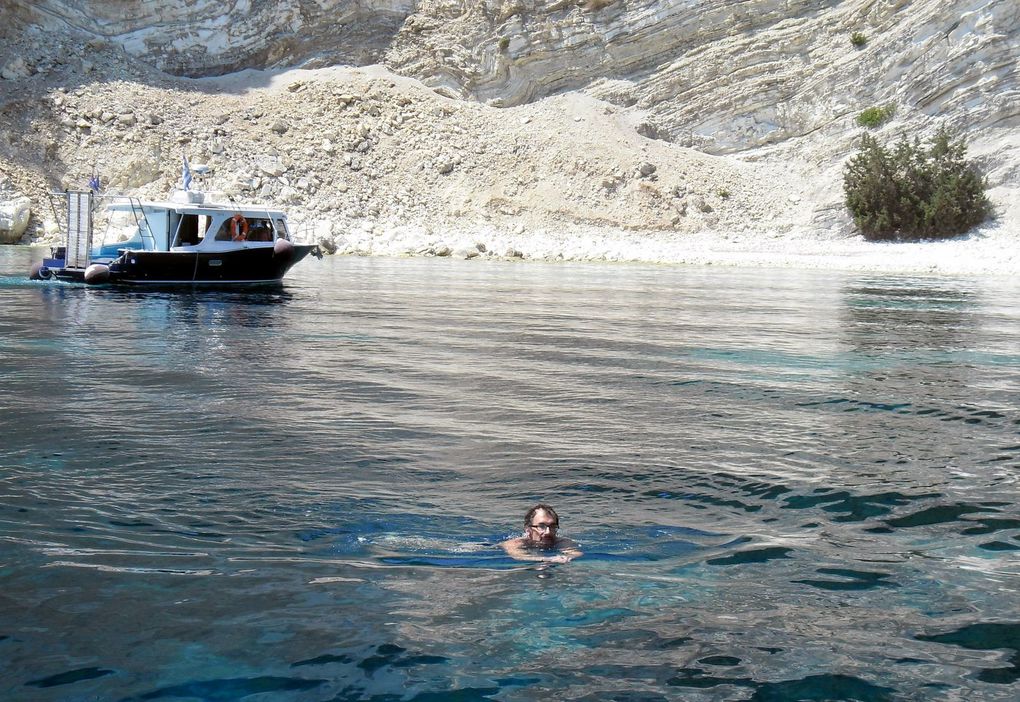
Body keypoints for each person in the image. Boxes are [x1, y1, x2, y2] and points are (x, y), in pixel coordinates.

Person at [500, 504, 582, 563]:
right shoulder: (515, 543)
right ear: (528, 529)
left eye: (552, 526)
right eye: (541, 526)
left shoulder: (562, 542)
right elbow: (518, 556)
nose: (548, 532)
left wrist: (566, 557)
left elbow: (576, 553)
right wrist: (548, 559)